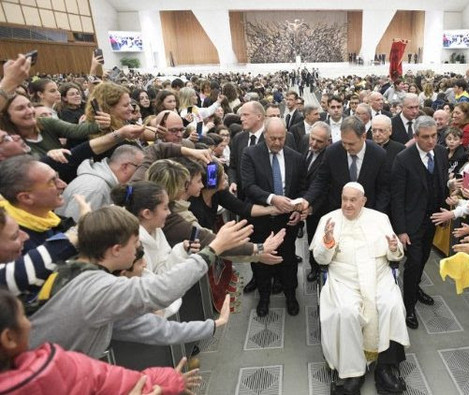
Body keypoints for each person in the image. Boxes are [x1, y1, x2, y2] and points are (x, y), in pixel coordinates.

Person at [28, 205, 253, 358]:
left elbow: (148, 329)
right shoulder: (96, 288)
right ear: (116, 250)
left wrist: (211, 326)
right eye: (135, 243)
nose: (139, 250)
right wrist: (214, 249)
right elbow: (161, 291)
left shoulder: (76, 271)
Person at [0, 289, 201, 394]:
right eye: (24, 316)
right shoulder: (54, 366)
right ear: (9, 338)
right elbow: (126, 382)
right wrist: (171, 380)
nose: (30, 324)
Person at [311, 182, 409, 395]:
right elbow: (320, 259)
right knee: (346, 312)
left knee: (390, 305)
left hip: (378, 275)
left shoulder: (380, 218)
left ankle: (385, 367)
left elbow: (395, 253)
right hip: (344, 279)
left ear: (363, 201)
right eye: (344, 199)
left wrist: (394, 249)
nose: (347, 205)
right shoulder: (328, 220)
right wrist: (327, 242)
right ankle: (352, 373)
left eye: (353, 200)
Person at [240, 117, 306, 317]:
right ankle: (264, 297)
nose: (277, 143)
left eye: (281, 138)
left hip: (287, 221)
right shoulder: (250, 154)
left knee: (287, 260)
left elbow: (302, 188)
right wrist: (272, 199)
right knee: (261, 261)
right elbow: (249, 186)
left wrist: (297, 209)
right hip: (260, 220)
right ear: (264, 135)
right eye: (272, 139)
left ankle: (290, 294)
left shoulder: (296, 158)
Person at [391, 116, 448, 329]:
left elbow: (441, 183)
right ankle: (409, 306)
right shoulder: (403, 159)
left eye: (434, 136)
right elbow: (397, 197)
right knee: (413, 263)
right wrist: (401, 230)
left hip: (433, 218)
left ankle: (415, 288)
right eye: (425, 137)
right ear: (415, 137)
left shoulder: (441, 153)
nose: (431, 141)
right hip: (412, 221)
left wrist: (446, 206)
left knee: (423, 258)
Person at [302, 116, 390, 217]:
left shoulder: (378, 154)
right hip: (338, 212)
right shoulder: (332, 152)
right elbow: (321, 181)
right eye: (344, 143)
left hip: (368, 214)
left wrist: (377, 215)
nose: (347, 147)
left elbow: (383, 189)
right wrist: (307, 200)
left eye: (351, 144)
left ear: (364, 136)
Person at [56, 145, 144, 222]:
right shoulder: (95, 189)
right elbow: (76, 230)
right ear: (125, 167)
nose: (143, 173)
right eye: (141, 168)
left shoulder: (103, 184)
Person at [302, 122, 332, 282]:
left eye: (319, 141)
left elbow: (326, 187)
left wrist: (312, 207)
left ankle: (322, 267)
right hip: (303, 203)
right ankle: (313, 266)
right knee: (311, 239)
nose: (313, 143)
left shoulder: (330, 157)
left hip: (321, 209)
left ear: (328, 141)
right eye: (312, 138)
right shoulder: (304, 144)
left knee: (321, 239)